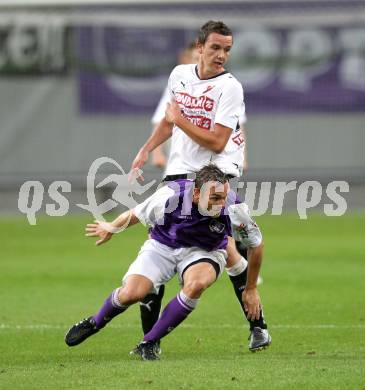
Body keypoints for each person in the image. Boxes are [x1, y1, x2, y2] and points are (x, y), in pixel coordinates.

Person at [131, 20, 270, 354]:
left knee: (229, 248)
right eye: (216, 48)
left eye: (227, 49)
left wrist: (180, 121)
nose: (222, 55)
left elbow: (219, 141)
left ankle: (257, 324)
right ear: (200, 47)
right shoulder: (179, 75)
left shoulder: (231, 87)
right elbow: (168, 120)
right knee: (162, 246)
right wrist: (148, 148)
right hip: (179, 174)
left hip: (213, 175)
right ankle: (153, 342)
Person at [65, 165, 265, 361]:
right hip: (162, 246)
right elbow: (135, 214)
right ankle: (95, 322)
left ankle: (149, 341)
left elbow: (256, 245)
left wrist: (251, 288)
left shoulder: (235, 207)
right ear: (196, 194)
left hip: (205, 251)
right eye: (215, 198)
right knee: (131, 294)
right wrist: (111, 227)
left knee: (196, 285)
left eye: (224, 197)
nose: (222, 204)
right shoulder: (169, 195)